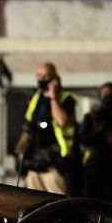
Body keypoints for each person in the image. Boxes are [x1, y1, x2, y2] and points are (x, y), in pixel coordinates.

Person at [14, 62, 77, 195]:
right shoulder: (36, 98)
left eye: (46, 76)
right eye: (39, 76)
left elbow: (62, 121)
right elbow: (28, 126)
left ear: (55, 77)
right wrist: (20, 148)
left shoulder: (66, 98)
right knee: (33, 200)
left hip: (55, 162)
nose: (41, 79)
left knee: (57, 200)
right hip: (34, 160)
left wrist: (53, 98)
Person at [79, 82, 112, 204]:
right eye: (106, 93)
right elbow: (83, 139)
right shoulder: (92, 116)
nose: (109, 96)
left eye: (111, 93)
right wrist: (97, 131)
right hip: (95, 163)